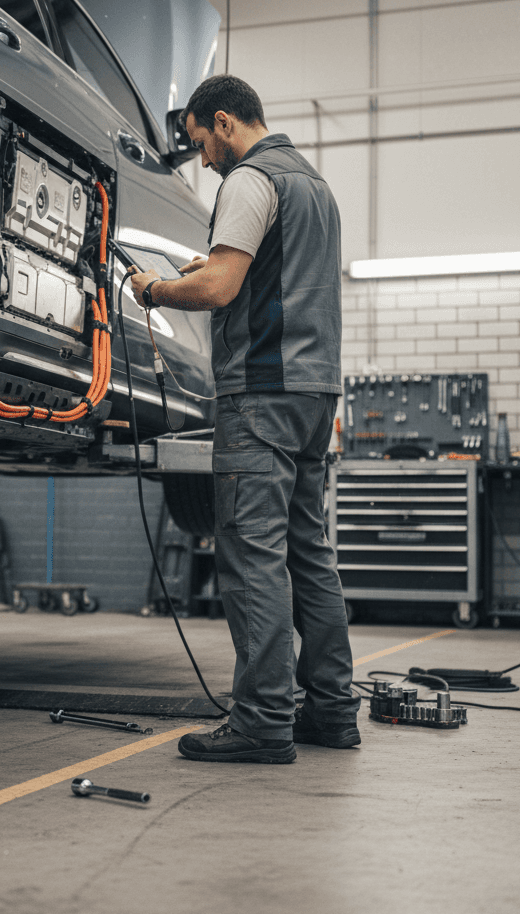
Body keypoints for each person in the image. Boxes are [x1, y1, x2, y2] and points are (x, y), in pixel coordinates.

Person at [129, 74, 360, 764]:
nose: (202, 159)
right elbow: (267, 277)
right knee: (309, 555)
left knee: (253, 556)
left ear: (224, 123)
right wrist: (217, 267)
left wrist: (157, 288)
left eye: (201, 142)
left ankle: (262, 721)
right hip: (315, 396)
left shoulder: (250, 180)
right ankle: (332, 712)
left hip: (261, 393)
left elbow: (221, 286)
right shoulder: (312, 185)